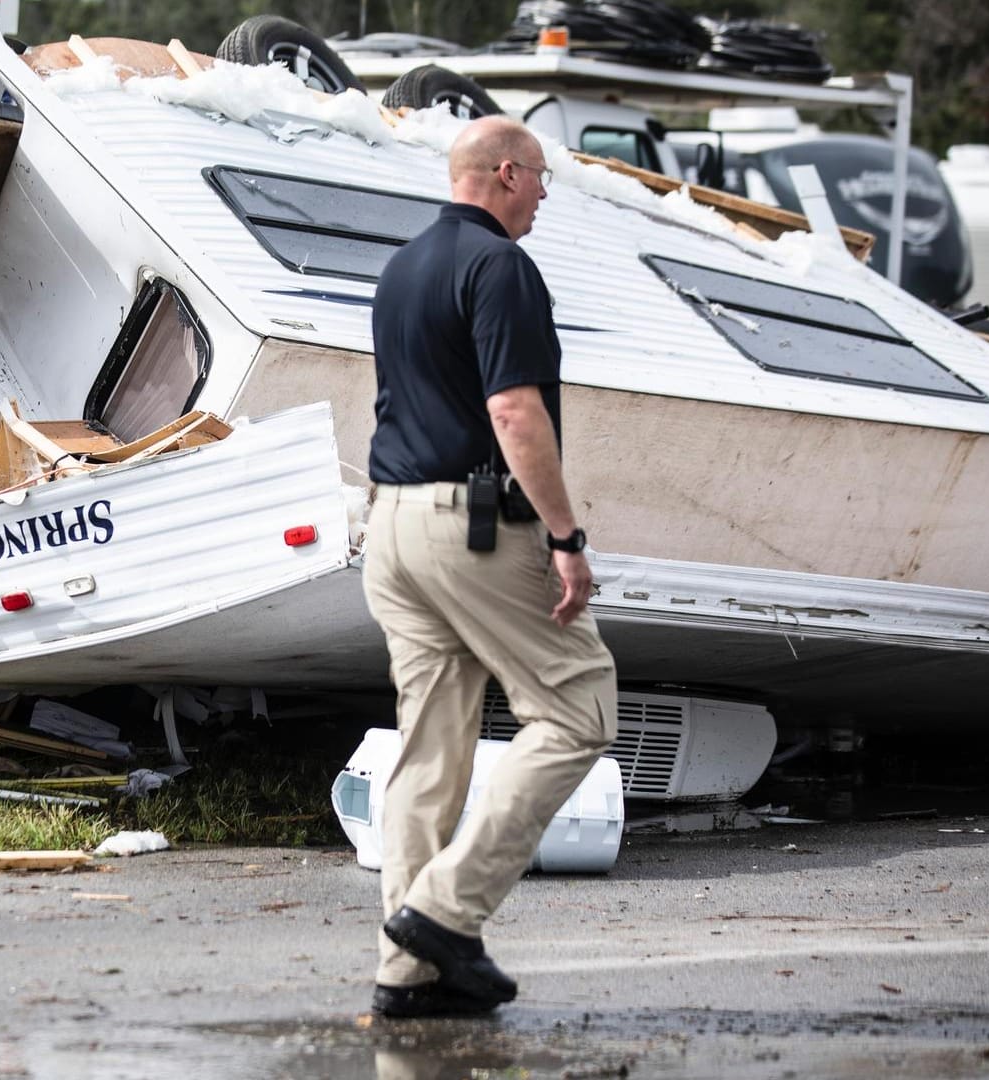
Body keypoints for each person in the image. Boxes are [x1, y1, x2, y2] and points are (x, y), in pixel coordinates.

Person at [361, 116, 618, 1019]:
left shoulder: (402, 268)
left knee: (431, 748)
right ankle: (441, 914)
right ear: (506, 173)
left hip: (388, 527)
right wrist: (565, 535)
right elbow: (513, 411)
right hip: (467, 527)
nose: (546, 193)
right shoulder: (501, 266)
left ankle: (408, 972)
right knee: (578, 707)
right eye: (542, 177)